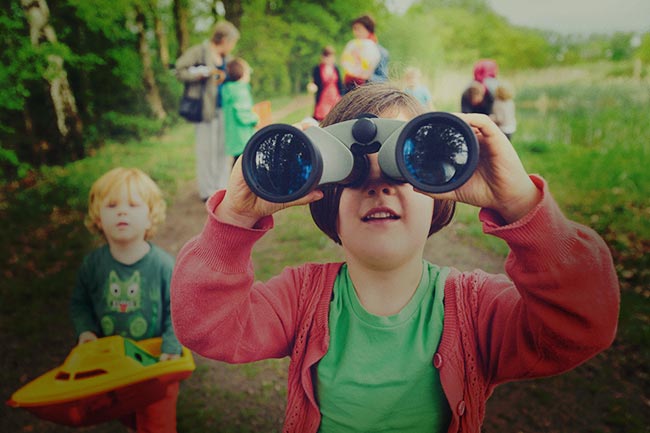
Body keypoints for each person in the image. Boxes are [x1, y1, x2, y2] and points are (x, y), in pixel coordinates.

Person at [170, 84, 619, 432]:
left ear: (440, 196)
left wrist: (520, 202)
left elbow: (582, 323)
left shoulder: (476, 310)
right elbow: (206, 324)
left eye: (403, 173)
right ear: (323, 201)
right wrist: (233, 217)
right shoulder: (301, 299)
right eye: (352, 176)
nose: (377, 186)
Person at [70, 167, 182, 433]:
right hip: (113, 365)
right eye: (111, 205)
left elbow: (178, 308)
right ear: (98, 218)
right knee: (129, 417)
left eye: (133, 205)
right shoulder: (93, 265)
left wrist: (171, 344)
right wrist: (86, 330)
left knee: (157, 424)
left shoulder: (163, 266)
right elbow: (80, 302)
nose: (122, 211)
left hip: (156, 365)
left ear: (149, 218)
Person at [175, 21, 240, 201]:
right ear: (225, 39)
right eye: (233, 41)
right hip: (204, 110)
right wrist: (199, 74)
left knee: (221, 150)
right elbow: (179, 70)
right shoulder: (200, 51)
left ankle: (221, 188)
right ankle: (207, 192)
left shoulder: (225, 57)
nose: (233, 46)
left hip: (223, 109)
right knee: (206, 151)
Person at [221, 57, 259, 165]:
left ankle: (234, 181)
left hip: (234, 137)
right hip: (243, 138)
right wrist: (255, 119)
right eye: (248, 72)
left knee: (237, 164)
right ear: (242, 74)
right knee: (245, 166)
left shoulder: (228, 89)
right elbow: (242, 114)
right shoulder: (240, 90)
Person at [341, 15, 382, 92]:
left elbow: (382, 77)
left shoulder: (378, 49)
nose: (356, 32)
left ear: (368, 29)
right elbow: (345, 62)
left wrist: (367, 76)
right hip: (349, 83)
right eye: (354, 29)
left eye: (359, 29)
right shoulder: (352, 44)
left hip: (367, 86)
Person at [307, 46, 344, 122]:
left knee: (335, 114)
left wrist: (341, 95)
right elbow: (315, 82)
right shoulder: (318, 69)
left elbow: (339, 83)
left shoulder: (335, 68)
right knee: (322, 115)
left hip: (334, 95)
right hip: (323, 96)